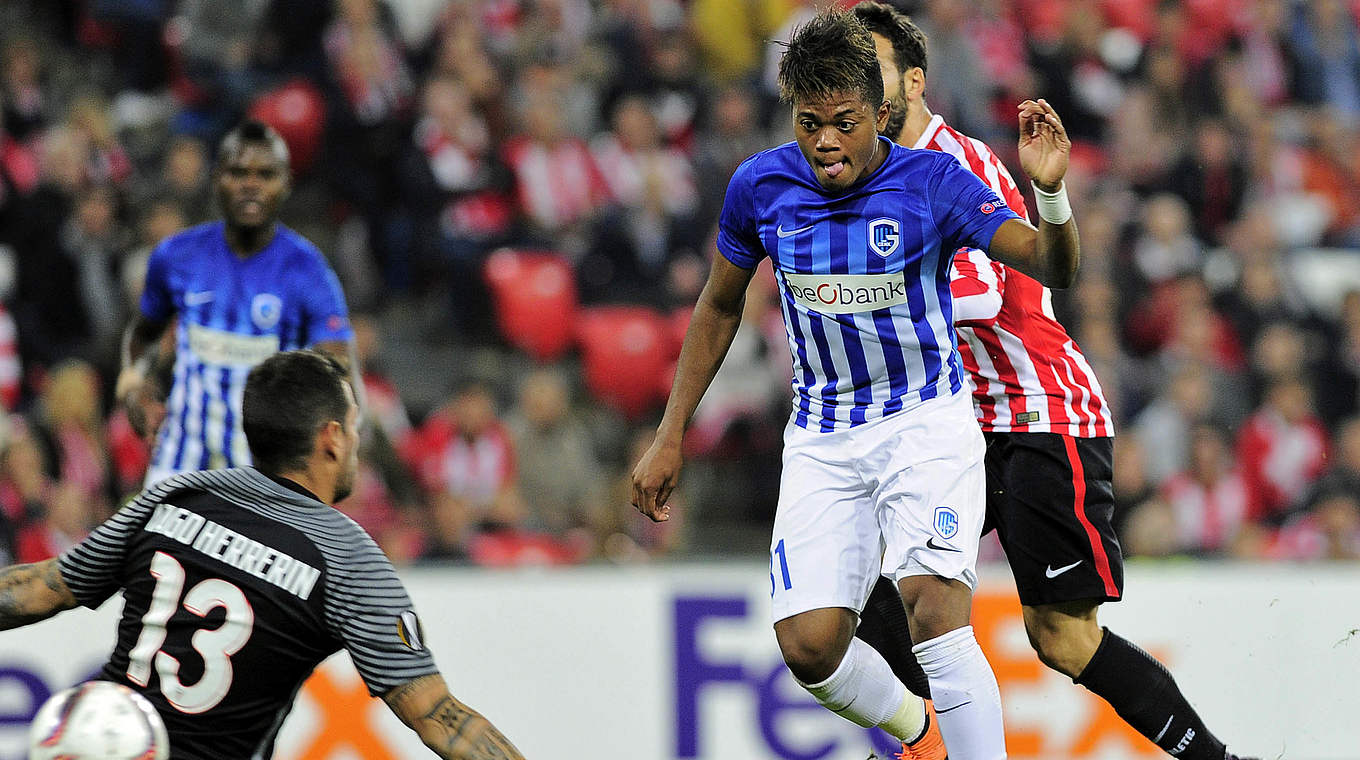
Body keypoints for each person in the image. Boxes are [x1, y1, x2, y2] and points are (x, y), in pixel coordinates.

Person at [633, 10, 1080, 760]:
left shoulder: (936, 182)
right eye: (811, 124)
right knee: (809, 649)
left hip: (925, 423)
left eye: (845, 122)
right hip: (823, 436)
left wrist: (1053, 196)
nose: (827, 142)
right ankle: (919, 731)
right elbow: (718, 304)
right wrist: (670, 432)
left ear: (881, 111)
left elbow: (1052, 267)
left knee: (933, 614)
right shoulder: (760, 187)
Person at [851, 4, 1258, 760]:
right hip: (961, 430)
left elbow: (981, 294)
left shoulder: (953, 163)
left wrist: (869, 292)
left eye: (868, 68)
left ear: (912, 80)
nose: (854, 86)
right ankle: (929, 747)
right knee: (867, 595)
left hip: (1040, 409)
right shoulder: (871, 176)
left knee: (1062, 638)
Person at [0, 350, 524, 760]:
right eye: (357, 430)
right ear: (333, 438)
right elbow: (437, 716)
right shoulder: (347, 556)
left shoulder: (175, 496)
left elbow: (40, 590)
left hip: (107, 744)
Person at [115, 120, 361, 487]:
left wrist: (335, 463)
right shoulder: (177, 255)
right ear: (217, 179)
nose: (251, 184)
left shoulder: (308, 271)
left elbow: (337, 369)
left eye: (265, 174)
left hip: (266, 472)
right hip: (182, 462)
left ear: (286, 183)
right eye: (238, 172)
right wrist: (135, 386)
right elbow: (144, 334)